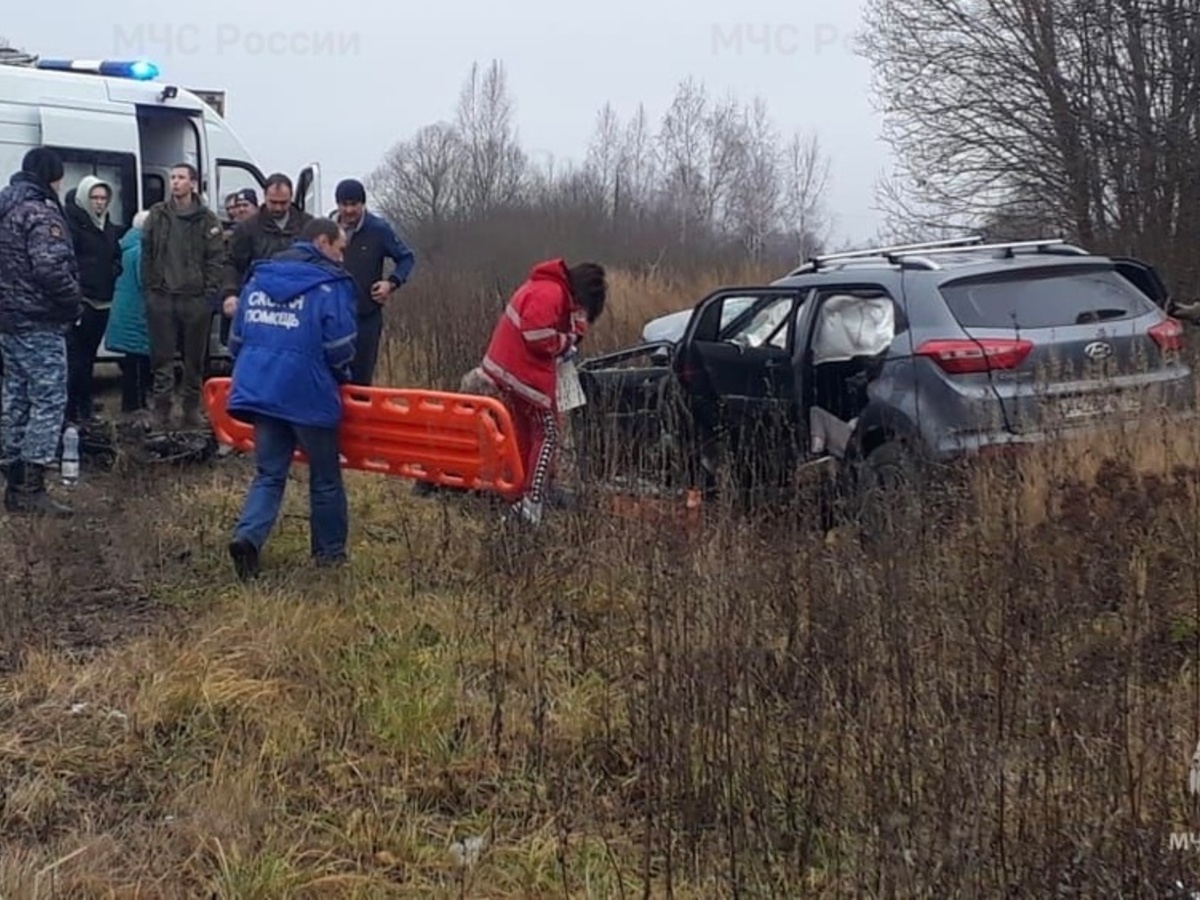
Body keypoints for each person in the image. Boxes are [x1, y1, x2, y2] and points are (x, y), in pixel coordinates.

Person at [224, 217, 358, 581]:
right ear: (322, 242)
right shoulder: (331, 286)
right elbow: (340, 346)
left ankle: (247, 537)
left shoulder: (257, 280)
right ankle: (329, 556)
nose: (342, 259)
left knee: (269, 473)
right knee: (325, 476)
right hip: (307, 393)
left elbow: (235, 341)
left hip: (260, 390)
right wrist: (341, 375)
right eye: (340, 248)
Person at [479, 259, 606, 525]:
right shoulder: (552, 292)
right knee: (548, 434)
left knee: (526, 433)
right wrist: (566, 342)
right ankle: (532, 501)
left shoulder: (547, 288)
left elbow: (566, 325)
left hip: (509, 370)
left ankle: (521, 491)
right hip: (523, 373)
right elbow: (537, 336)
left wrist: (574, 330)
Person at [0, 147, 83, 516]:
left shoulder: (6, 208)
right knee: (48, 400)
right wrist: (72, 302)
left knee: (15, 398)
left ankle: (13, 479)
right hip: (39, 320)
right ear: (53, 175)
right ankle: (31, 486)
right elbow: (50, 269)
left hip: (8, 321)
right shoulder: (40, 212)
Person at [140, 162, 225, 430]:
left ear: (193, 182)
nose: (175, 182)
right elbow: (147, 252)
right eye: (172, 177)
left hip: (194, 299)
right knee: (161, 359)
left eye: (180, 178)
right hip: (163, 297)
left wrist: (208, 294)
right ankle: (161, 411)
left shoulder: (207, 219)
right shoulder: (157, 214)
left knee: (194, 361)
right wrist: (150, 289)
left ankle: (191, 410)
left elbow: (216, 258)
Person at [330, 178, 416, 386]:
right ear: (337, 205)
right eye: (344, 204)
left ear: (363, 204)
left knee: (360, 380)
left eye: (354, 204)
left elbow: (406, 258)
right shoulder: (325, 230)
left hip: (365, 316)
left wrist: (391, 283)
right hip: (330, 316)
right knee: (329, 377)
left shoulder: (378, 229)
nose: (349, 210)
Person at [63, 175, 122, 428]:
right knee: (75, 361)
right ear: (84, 198)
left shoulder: (106, 225)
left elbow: (114, 254)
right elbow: (65, 260)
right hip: (82, 301)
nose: (99, 203)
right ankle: (70, 411)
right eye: (94, 198)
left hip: (103, 301)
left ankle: (85, 409)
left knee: (89, 360)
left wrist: (114, 269)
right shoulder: (71, 225)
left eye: (103, 198)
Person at [220, 173, 313, 316]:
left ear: (291, 197)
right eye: (273, 202)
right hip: (259, 301)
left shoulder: (307, 225)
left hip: (299, 300)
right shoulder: (248, 228)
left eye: (283, 203)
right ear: (264, 197)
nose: (278, 208)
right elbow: (232, 263)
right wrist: (230, 293)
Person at [103, 210, 153, 425]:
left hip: (124, 312)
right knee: (141, 363)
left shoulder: (125, 245)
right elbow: (147, 283)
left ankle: (129, 406)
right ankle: (137, 409)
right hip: (138, 314)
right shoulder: (142, 250)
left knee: (130, 363)